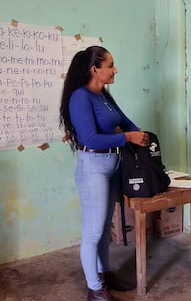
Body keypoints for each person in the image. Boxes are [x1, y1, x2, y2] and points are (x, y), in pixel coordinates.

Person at [59, 46, 149, 301]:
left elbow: (125, 120)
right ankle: (95, 289)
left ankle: (105, 273)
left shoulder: (104, 96)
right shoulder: (80, 97)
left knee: (104, 227)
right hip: (93, 169)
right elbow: (90, 138)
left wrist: (138, 133)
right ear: (94, 69)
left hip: (113, 166)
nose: (115, 70)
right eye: (110, 65)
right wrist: (127, 137)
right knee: (93, 232)